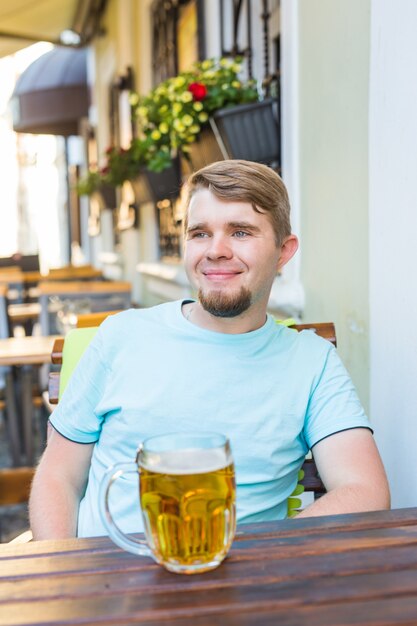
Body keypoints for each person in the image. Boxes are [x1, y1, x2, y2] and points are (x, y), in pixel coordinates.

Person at [29, 160, 390, 539]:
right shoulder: (120, 337)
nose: (216, 250)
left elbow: (363, 489)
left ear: (284, 251)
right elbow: (59, 475)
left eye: (240, 232)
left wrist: (264, 561)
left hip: (237, 584)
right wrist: (61, 573)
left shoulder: (312, 362)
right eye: (199, 233)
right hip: (104, 583)